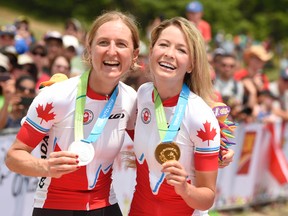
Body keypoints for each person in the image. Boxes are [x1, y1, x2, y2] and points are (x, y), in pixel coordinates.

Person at [5, 11, 140, 216]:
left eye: (121, 44)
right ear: (89, 49)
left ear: (134, 55)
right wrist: (45, 166)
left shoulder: (130, 99)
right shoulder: (56, 96)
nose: (112, 51)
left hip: (106, 204)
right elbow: (13, 156)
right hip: (55, 206)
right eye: (103, 42)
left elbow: (147, 151)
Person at [128, 17, 221, 216]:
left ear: (191, 65)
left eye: (181, 50)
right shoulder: (143, 94)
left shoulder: (200, 116)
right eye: (163, 45)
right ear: (152, 51)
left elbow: (208, 198)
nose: (170, 54)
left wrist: (186, 189)